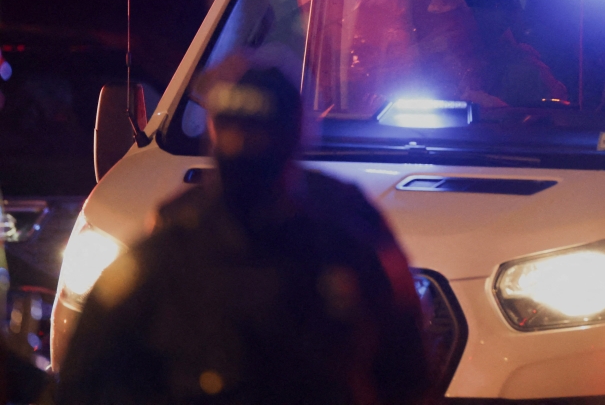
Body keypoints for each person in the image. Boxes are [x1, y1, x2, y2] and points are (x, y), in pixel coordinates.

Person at [57, 53, 430, 405]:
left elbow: (406, 362)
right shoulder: (173, 232)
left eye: (258, 133)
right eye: (237, 131)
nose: (246, 147)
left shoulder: (347, 224)